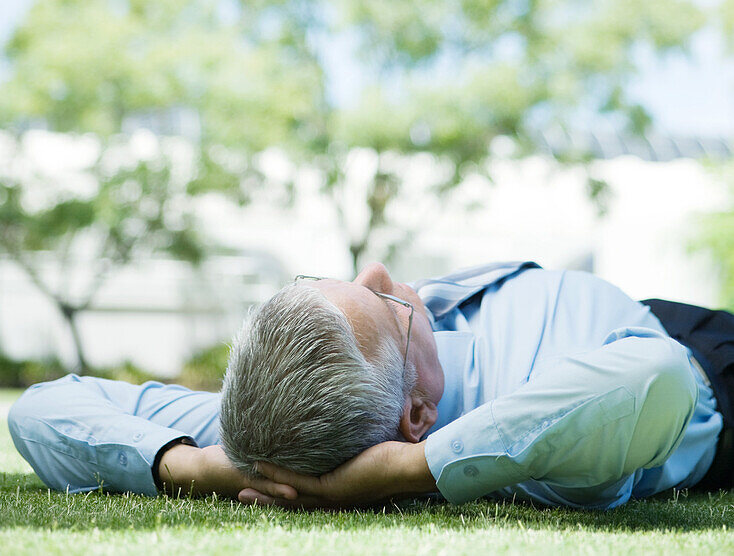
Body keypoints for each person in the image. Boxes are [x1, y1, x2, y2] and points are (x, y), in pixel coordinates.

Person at [7, 260, 734, 509]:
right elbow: (658, 376)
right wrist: (414, 472)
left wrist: (194, 465)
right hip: (708, 365)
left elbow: (40, 410)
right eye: (388, 309)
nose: (381, 277)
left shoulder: (252, 431)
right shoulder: (555, 442)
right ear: (417, 419)